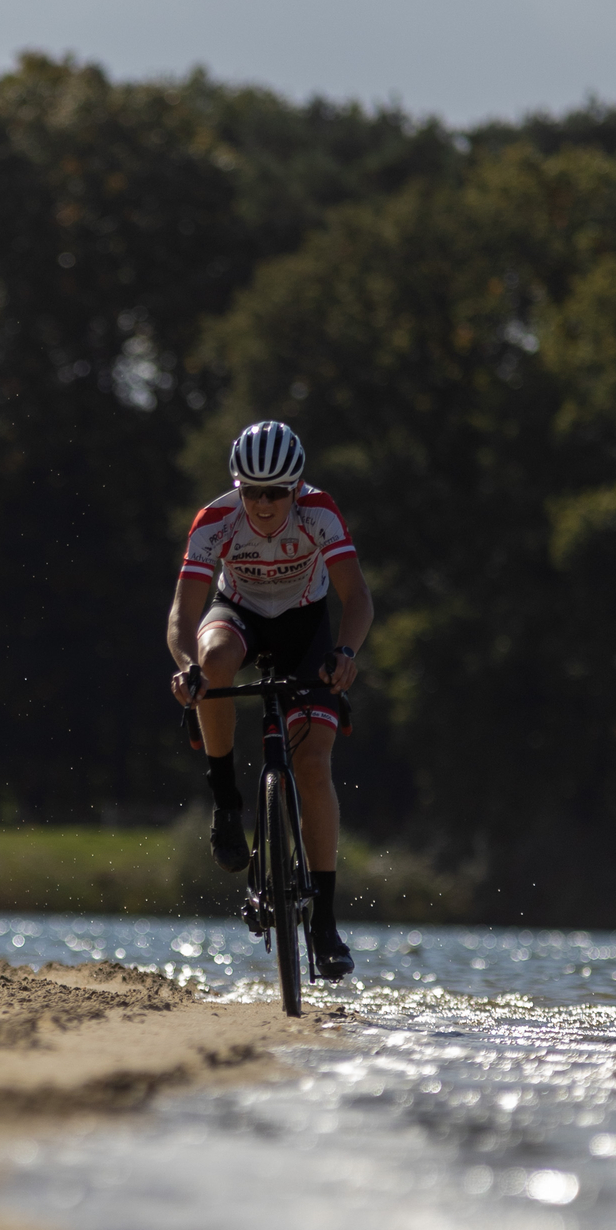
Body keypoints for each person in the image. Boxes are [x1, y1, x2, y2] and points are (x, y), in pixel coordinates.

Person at [166, 418, 374, 979]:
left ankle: (325, 922)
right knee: (213, 662)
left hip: (305, 627)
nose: (262, 504)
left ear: (296, 488)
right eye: (252, 491)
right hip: (239, 615)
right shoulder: (215, 521)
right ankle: (226, 802)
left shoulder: (319, 513)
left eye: (276, 493)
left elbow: (357, 597)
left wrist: (345, 653)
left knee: (312, 765)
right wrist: (186, 668)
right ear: (237, 486)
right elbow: (184, 613)